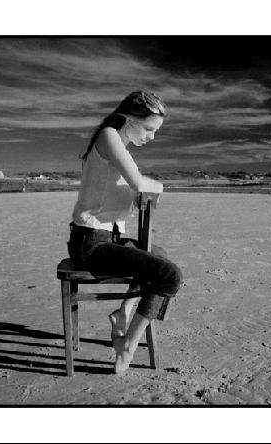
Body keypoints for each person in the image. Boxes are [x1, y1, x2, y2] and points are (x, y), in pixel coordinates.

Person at [67, 91, 183, 375]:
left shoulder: (123, 150)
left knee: (159, 255)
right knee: (169, 275)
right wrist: (159, 186)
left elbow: (138, 187)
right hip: (90, 243)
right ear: (129, 118)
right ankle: (128, 345)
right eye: (148, 129)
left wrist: (148, 186)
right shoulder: (109, 137)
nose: (151, 137)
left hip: (109, 238)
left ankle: (124, 312)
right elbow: (140, 185)